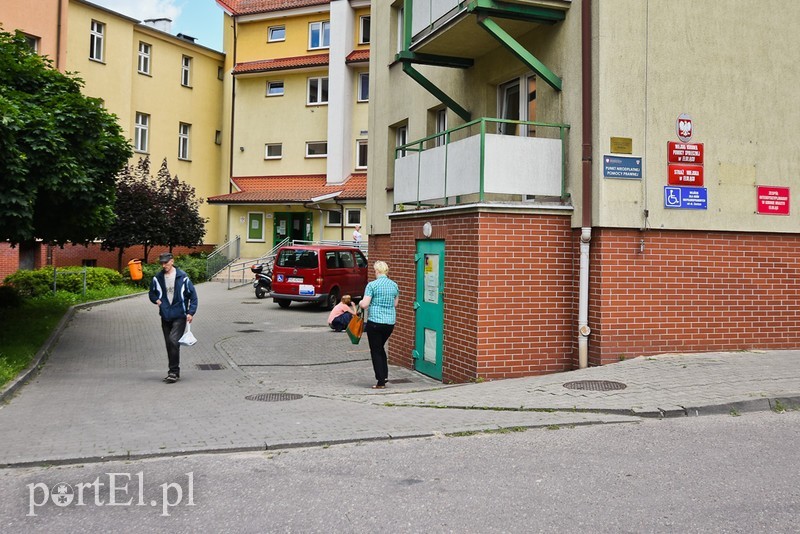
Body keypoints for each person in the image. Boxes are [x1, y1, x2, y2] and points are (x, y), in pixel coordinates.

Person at [148, 252, 198, 384]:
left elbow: (193, 296)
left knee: (173, 340)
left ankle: (173, 372)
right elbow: (151, 293)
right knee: (169, 344)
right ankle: (173, 371)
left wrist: (190, 312)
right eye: (162, 263)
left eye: (166, 262)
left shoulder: (183, 277)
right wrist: (158, 302)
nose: (164, 265)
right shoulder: (158, 278)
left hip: (180, 316)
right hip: (165, 316)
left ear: (172, 261)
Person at [359, 260, 399, 389]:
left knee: (375, 350)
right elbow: (395, 304)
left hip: (375, 322)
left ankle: (380, 381)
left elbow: (365, 304)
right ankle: (385, 375)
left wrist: (360, 303)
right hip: (389, 323)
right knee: (380, 348)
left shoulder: (372, 285)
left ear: (376, 271)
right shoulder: (394, 285)